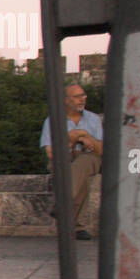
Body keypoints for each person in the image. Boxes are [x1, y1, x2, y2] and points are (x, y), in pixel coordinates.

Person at [40, 82, 103, 240]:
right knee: (78, 176)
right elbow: (50, 152)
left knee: (83, 164)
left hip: (90, 158)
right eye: (77, 96)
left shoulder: (93, 119)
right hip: (65, 157)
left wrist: (85, 135)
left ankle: (63, 203)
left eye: (83, 95)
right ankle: (76, 227)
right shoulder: (53, 120)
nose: (82, 99)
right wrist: (71, 139)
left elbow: (101, 150)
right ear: (66, 100)